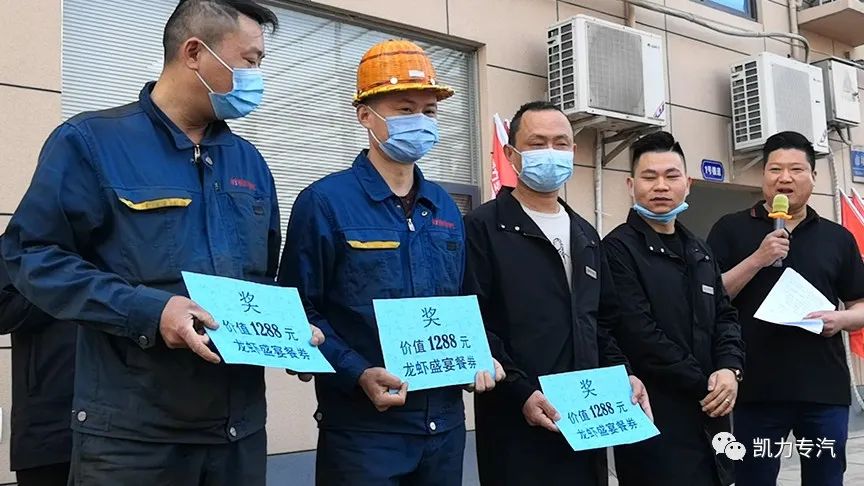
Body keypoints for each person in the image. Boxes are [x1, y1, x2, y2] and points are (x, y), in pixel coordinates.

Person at [1, 1, 323, 484]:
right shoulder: (91, 143)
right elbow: (32, 256)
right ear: (194, 53)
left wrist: (289, 329)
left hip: (237, 435)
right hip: (133, 440)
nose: (257, 77)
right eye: (249, 61)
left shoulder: (250, 163)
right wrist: (150, 311)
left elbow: (260, 280)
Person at [278, 39, 504, 486]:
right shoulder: (324, 203)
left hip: (445, 428)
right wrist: (356, 372)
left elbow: (462, 303)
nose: (420, 121)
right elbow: (296, 312)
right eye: (405, 109)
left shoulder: (444, 207)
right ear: (365, 115)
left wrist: (479, 356)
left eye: (429, 111)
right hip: (363, 433)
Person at [462, 101, 651, 486]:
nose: (551, 152)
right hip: (516, 423)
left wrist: (624, 376)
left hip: (586, 420)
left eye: (561, 143)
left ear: (573, 152)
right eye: (537, 143)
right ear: (511, 154)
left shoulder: (585, 234)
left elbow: (602, 324)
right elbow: (473, 323)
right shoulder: (483, 227)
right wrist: (520, 391)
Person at [707, 131, 864, 486]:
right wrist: (758, 259)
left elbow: (860, 305)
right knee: (753, 478)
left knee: (825, 479)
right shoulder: (730, 229)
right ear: (763, 175)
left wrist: (840, 318)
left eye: (796, 169)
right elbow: (710, 298)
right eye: (775, 169)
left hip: (823, 390)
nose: (785, 178)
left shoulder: (837, 237)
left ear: (813, 176)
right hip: (755, 389)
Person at [601, 131, 744, 486]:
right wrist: (706, 384)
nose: (661, 186)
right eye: (649, 177)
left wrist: (730, 369)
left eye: (671, 175)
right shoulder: (617, 249)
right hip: (655, 415)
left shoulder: (699, 249)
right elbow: (639, 334)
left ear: (688, 183)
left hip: (713, 414)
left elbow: (725, 316)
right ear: (631, 185)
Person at [0, 255, 75, 486]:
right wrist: (69, 285)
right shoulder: (20, 243)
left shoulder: (118, 240)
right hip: (45, 429)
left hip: (119, 428)